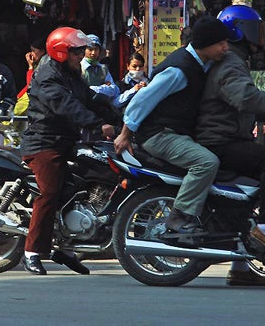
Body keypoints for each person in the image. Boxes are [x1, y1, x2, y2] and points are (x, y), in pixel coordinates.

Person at [195, 5, 265, 285]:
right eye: (255, 29)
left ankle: (241, 268)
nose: (260, 36)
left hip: (226, 136)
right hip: (219, 140)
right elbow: (245, 98)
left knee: (248, 197)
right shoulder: (231, 61)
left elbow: (249, 98)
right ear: (240, 30)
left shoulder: (235, 59)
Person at [113, 15, 232, 236]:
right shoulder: (179, 69)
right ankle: (179, 217)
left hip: (177, 132)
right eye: (220, 43)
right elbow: (142, 100)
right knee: (206, 163)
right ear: (204, 44)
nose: (225, 48)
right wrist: (125, 134)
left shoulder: (201, 65)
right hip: (159, 134)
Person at [20, 27, 116, 276]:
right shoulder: (48, 75)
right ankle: (31, 252)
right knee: (50, 192)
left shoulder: (72, 73)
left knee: (80, 188)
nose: (81, 56)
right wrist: (97, 125)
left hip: (68, 142)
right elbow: (67, 106)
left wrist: (122, 117)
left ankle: (67, 245)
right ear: (62, 52)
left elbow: (89, 99)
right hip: (44, 143)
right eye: (76, 52)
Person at [81, 34, 119, 100]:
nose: (93, 53)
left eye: (96, 49)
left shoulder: (103, 69)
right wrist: (104, 87)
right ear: (84, 50)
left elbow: (114, 90)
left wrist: (94, 89)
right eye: (90, 49)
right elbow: (81, 91)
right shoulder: (80, 67)